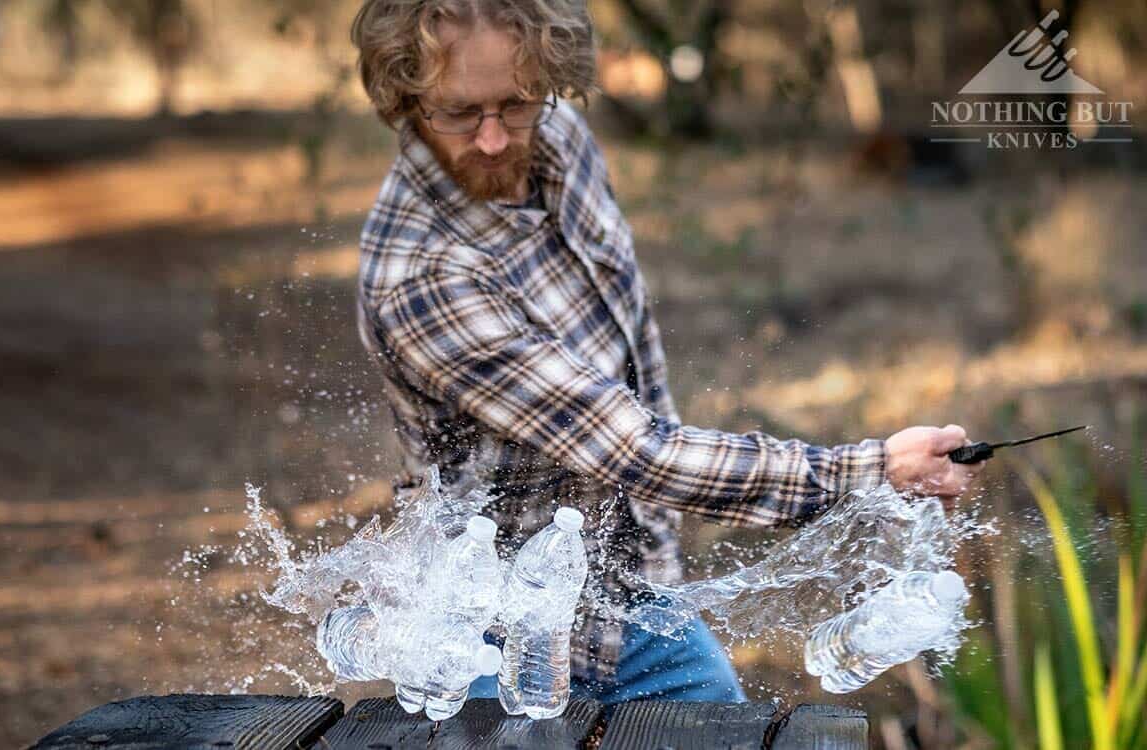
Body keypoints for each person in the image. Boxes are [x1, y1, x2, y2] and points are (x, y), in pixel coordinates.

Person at [349, 0, 985, 704]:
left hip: (631, 600)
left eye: (517, 102)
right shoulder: (425, 276)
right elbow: (633, 450)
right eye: (462, 113)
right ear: (406, 98)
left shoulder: (560, 139)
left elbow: (633, 361)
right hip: (491, 635)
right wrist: (868, 470)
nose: (497, 139)